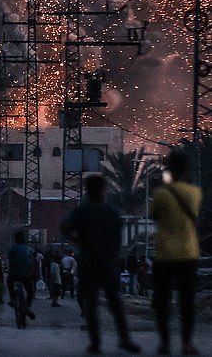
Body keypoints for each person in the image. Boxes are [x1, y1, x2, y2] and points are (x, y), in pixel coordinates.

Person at [61, 175, 141, 355]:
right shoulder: (111, 212)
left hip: (88, 262)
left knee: (92, 304)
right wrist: (114, 255)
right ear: (104, 190)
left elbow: (64, 228)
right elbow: (118, 239)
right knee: (115, 303)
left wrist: (78, 242)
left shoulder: (82, 212)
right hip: (106, 263)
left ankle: (95, 343)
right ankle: (124, 339)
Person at [151, 150, 202, 355]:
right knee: (187, 302)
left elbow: (154, 216)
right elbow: (195, 215)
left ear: (168, 169)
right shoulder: (194, 193)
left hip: (163, 254)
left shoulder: (161, 194)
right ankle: (187, 344)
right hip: (188, 254)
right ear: (186, 170)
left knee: (163, 302)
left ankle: (164, 343)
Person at [6, 231, 36, 320]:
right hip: (27, 274)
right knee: (30, 291)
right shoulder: (29, 248)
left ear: (15, 240)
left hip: (14, 273)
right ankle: (27, 307)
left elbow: (9, 262)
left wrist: (11, 270)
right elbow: (32, 261)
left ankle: (12, 299)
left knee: (9, 280)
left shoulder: (12, 249)